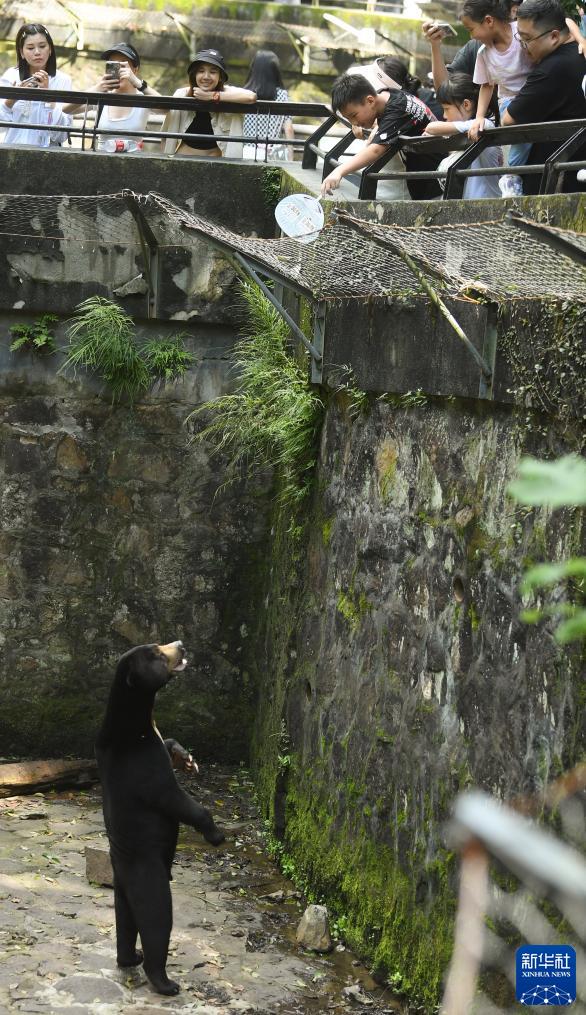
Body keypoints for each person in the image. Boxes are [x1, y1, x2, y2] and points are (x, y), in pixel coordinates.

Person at [501, 0, 586, 192]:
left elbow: (510, 119)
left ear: (554, 36)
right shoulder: (580, 53)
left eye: (527, 38)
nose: (522, 46)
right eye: (519, 37)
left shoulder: (551, 69)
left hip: (555, 185)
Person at [320, 73, 442, 199]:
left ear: (370, 100)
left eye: (354, 115)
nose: (354, 123)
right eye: (348, 118)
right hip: (423, 172)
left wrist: (339, 171)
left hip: (432, 179)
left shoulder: (397, 109)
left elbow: (376, 150)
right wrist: (377, 126)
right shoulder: (387, 94)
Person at [460, 0, 533, 195]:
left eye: (471, 29)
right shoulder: (484, 53)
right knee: (521, 131)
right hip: (509, 101)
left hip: (534, 91)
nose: (471, 35)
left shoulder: (522, 31)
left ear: (488, 21)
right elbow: (486, 85)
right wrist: (479, 118)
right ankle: (512, 175)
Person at [63, 42, 160, 152]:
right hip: (102, 162)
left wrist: (139, 83)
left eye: (123, 64)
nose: (118, 69)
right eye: (113, 64)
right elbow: (66, 108)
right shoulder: (102, 97)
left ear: (135, 70)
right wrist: (97, 88)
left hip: (134, 163)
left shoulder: (143, 98)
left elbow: (166, 108)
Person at [161, 49, 255, 158]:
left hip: (216, 165)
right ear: (194, 75)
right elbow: (164, 136)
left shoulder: (227, 94)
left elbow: (251, 97)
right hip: (182, 160)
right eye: (201, 71)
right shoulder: (182, 94)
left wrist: (212, 96)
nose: (206, 76)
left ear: (220, 77)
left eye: (213, 72)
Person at [423, 73, 503, 197]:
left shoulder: (484, 126)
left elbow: (431, 127)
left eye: (447, 109)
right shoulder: (466, 130)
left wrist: (436, 132)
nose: (444, 116)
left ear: (466, 105)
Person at [0, 23, 72, 147]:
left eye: (42, 46)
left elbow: (62, 135)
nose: (37, 52)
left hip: (48, 155)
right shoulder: (11, 76)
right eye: (30, 48)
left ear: (50, 49)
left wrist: (48, 96)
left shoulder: (63, 80)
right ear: (21, 52)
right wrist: (12, 99)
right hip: (13, 151)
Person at [242, 50, 294, 161]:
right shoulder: (282, 95)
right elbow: (288, 128)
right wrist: (291, 158)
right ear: (275, 71)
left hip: (246, 151)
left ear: (253, 69)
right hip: (272, 154)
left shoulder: (244, 94)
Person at [422, 20, 482, 88]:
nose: (472, 36)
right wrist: (435, 44)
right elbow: (444, 87)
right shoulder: (474, 46)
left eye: (471, 29)